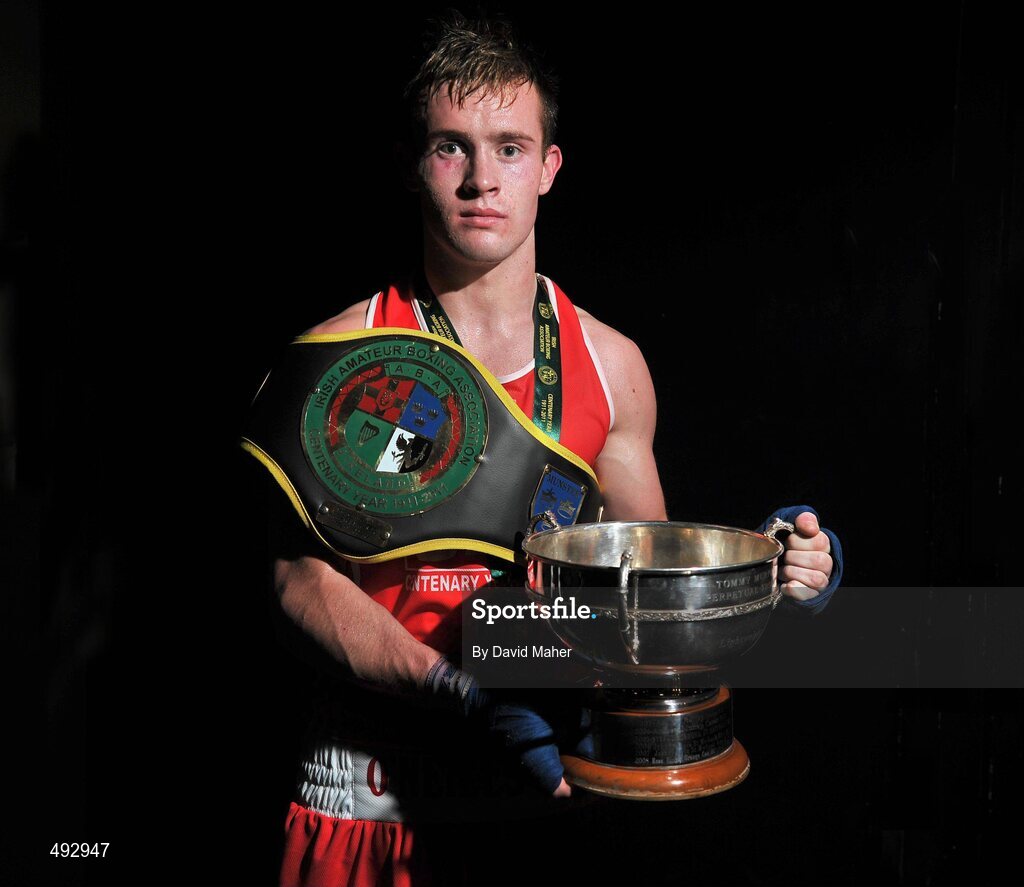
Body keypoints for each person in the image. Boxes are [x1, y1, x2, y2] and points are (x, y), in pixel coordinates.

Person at [261, 12, 842, 886]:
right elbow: (293, 579)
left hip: (543, 802)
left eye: (509, 146)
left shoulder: (611, 369)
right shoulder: (337, 358)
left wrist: (770, 568)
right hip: (372, 797)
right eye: (451, 147)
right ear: (412, 165)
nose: (481, 179)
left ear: (549, 168)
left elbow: (643, 596)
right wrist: (456, 692)